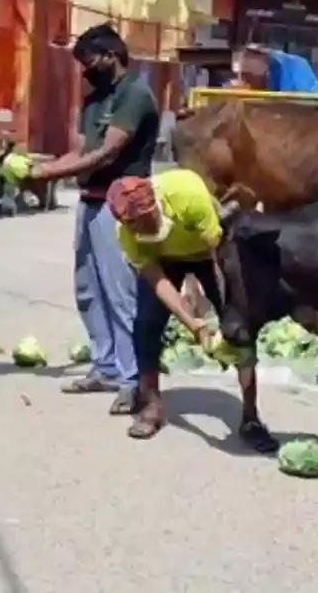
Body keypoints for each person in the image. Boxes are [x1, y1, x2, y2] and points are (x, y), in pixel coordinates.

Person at [13, 23, 161, 414]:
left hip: (121, 205)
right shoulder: (95, 101)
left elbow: (105, 154)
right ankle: (105, 365)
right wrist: (34, 169)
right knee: (88, 290)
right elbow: (78, 152)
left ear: (111, 55)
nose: (85, 69)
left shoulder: (135, 94)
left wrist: (47, 176)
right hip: (90, 201)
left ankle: (133, 381)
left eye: (89, 60)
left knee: (120, 294)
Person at [105, 171, 278, 450]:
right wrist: (195, 326)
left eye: (148, 220)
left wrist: (225, 313)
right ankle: (150, 407)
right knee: (145, 325)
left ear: (155, 204)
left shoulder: (188, 194)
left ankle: (251, 418)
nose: (144, 229)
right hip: (164, 260)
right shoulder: (125, 233)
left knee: (239, 327)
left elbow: (218, 258)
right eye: (136, 226)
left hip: (207, 253)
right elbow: (158, 281)